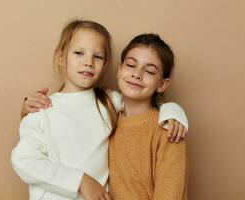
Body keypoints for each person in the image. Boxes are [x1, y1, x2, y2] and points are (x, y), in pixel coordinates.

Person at [11, 20, 188, 200]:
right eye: (79, 53)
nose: (88, 62)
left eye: (98, 56)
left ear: (106, 64)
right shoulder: (42, 109)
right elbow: (24, 161)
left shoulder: (107, 101)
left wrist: (173, 111)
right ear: (61, 57)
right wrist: (80, 181)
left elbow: (141, 105)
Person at [109, 33, 187, 200]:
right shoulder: (105, 120)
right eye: (131, 65)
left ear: (162, 84)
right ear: (119, 70)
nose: (137, 74)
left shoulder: (168, 130)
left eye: (150, 71)